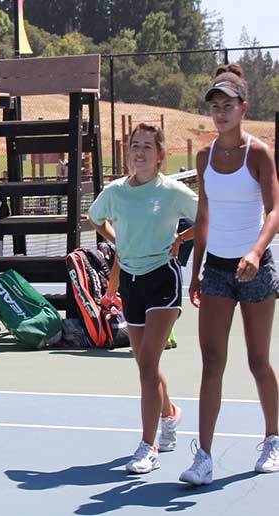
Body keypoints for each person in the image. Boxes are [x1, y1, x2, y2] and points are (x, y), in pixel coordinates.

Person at [180, 64, 279, 485]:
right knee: (212, 364)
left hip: (256, 270)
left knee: (258, 361)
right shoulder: (203, 157)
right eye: (215, 107)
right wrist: (196, 271)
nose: (220, 113)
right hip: (217, 272)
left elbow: (274, 211)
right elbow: (203, 217)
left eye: (227, 106)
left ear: (243, 108)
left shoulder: (259, 154)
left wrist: (255, 251)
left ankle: (273, 439)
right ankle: (203, 458)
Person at [89, 122, 198, 474]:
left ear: (160, 154)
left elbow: (208, 216)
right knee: (145, 364)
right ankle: (170, 414)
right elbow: (96, 218)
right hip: (131, 283)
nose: (139, 152)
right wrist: (117, 240)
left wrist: (183, 238)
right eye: (135, 145)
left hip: (163, 280)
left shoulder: (172, 191)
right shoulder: (115, 192)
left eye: (147, 146)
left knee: (148, 364)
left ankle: (147, 446)